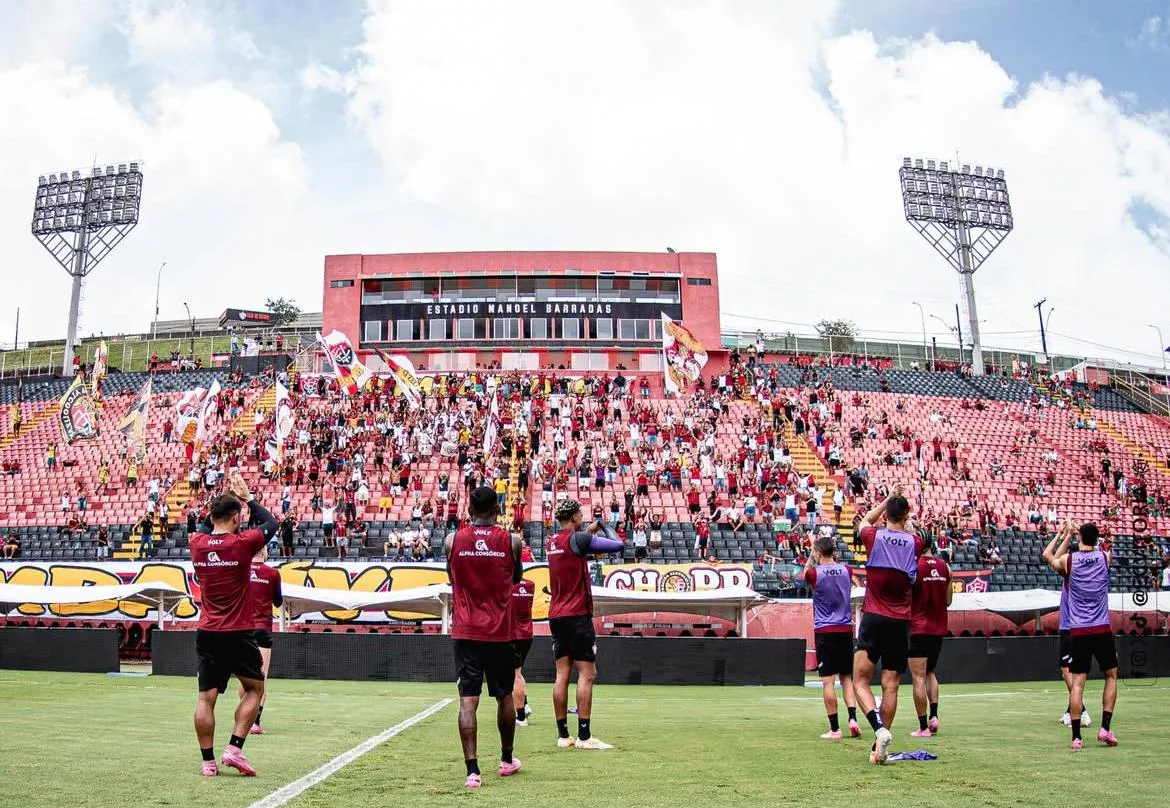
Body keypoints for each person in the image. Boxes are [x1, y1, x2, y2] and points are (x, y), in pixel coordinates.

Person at [189, 471, 278, 777]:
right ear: (238, 518)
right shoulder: (242, 544)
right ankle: (234, 748)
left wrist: (222, 502)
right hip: (239, 631)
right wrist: (247, 497)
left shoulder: (197, 543)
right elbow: (271, 523)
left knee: (206, 698)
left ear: (212, 516)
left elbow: (206, 524)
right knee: (255, 688)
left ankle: (207, 763)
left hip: (207, 632)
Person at [444, 486, 525, 790]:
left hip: (466, 631)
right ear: (497, 509)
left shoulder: (453, 541)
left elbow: (451, 577)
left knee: (468, 701)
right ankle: (506, 760)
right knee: (504, 696)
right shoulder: (511, 541)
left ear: (469, 510)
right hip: (500, 632)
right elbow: (516, 578)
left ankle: (472, 771)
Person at [851, 485, 925, 765]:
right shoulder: (915, 543)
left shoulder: (874, 535)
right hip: (900, 621)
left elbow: (865, 521)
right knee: (890, 685)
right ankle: (877, 746)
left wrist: (886, 500)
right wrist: (902, 511)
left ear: (886, 516)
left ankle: (878, 729)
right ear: (906, 516)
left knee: (860, 680)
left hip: (874, 616)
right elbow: (916, 535)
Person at [547, 498, 625, 750]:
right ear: (574, 519)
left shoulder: (552, 541)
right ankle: (584, 736)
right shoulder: (579, 539)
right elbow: (617, 544)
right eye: (581, 515)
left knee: (562, 675)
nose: (584, 518)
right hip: (577, 615)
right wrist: (602, 524)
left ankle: (563, 736)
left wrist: (585, 531)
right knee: (587, 674)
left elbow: (575, 544)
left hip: (556, 615)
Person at [1042, 522, 1118, 749]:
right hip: (1102, 627)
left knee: (1077, 684)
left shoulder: (1070, 561)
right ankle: (1105, 728)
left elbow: (1051, 558)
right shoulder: (1105, 558)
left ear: (1079, 538)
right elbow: (1108, 548)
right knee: (1111, 676)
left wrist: (1066, 534)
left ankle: (1076, 737)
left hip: (1078, 630)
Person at [800, 534, 860, 740]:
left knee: (828, 682)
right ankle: (853, 719)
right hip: (845, 629)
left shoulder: (815, 574)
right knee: (847, 679)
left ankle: (835, 728)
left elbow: (805, 572)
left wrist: (811, 550)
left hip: (825, 630)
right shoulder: (847, 570)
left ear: (818, 553)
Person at [1047, 524, 1091, 728]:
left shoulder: (1070, 573)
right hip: (1081, 625)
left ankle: (1080, 710)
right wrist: (1067, 535)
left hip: (1069, 626)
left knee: (1067, 671)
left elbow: (1049, 555)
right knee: (1073, 670)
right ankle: (1071, 709)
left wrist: (1065, 535)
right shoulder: (1091, 568)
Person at [908, 537, 952, 738]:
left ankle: (923, 726)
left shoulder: (914, 567)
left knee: (918, 677)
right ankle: (934, 716)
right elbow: (948, 600)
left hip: (918, 628)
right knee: (930, 672)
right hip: (938, 628)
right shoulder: (945, 567)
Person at [242, 546, 283, 736]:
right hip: (263, 628)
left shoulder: (241, 570)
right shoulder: (273, 573)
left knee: (243, 679)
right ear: (265, 552)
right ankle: (255, 722)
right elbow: (278, 601)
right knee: (261, 677)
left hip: (242, 628)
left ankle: (243, 718)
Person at [512, 576, 535, 727]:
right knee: (518, 673)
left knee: (514, 676)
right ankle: (525, 704)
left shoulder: (506, 585)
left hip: (512, 634)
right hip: (527, 634)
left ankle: (521, 718)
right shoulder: (530, 585)